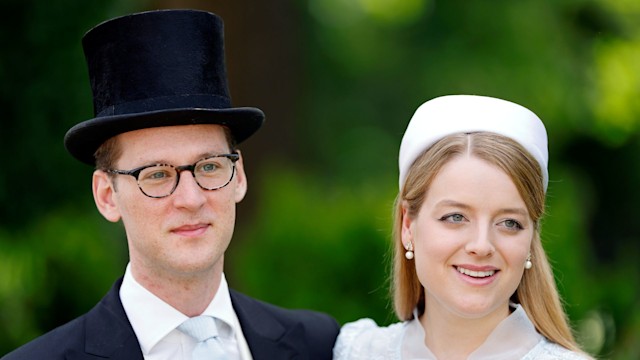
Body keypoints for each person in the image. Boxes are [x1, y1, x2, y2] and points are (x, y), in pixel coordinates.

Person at [3, 9, 339, 360]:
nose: (191, 199)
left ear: (239, 177)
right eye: (157, 175)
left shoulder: (317, 344)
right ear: (107, 196)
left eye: (209, 166)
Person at [333, 95, 592, 359]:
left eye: (509, 223)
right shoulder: (356, 352)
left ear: (531, 239)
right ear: (408, 225)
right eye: (455, 217)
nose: (481, 245)